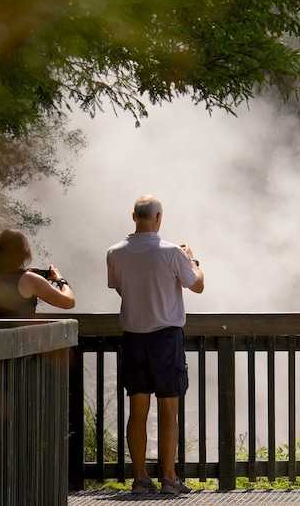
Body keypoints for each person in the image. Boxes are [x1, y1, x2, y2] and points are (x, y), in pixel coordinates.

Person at [106, 195, 204, 495]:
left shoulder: (114, 253)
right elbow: (197, 285)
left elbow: (121, 289)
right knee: (168, 409)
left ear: (133, 217)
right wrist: (192, 259)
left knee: (137, 409)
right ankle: (170, 478)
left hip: (134, 337)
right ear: (158, 217)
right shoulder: (173, 252)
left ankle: (139, 478)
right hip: (165, 337)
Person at [0, 228, 75, 316]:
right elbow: (69, 302)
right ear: (24, 254)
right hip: (20, 335)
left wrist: (24, 274)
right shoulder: (29, 280)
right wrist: (60, 279)